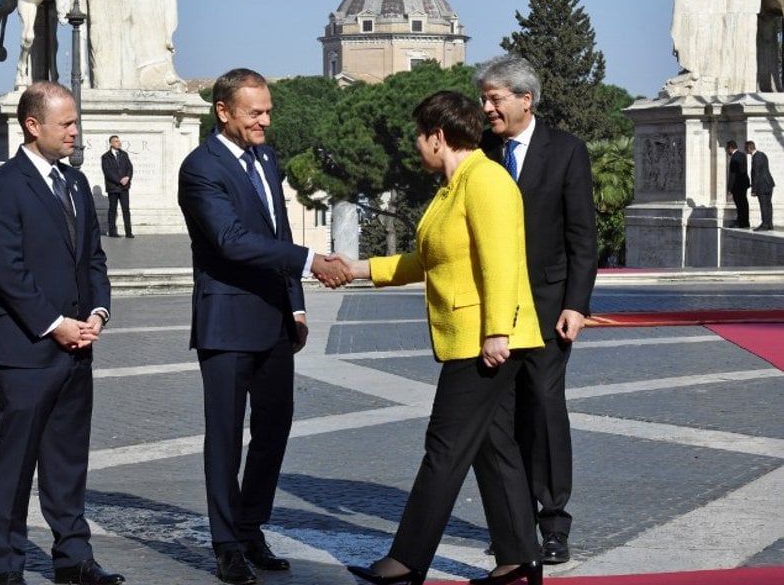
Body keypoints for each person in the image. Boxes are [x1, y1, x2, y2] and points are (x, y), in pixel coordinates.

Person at [340, 90, 545, 585]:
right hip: (474, 338)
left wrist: (496, 330)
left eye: (419, 135)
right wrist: (359, 269)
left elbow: (501, 261)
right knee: (492, 446)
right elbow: (429, 260)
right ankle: (520, 560)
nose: (416, 145)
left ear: (437, 136)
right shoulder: (454, 187)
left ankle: (407, 560)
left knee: (444, 446)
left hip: (488, 340)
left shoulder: (486, 181)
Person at [177, 68, 350, 585]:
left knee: (274, 427)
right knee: (225, 438)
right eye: (255, 112)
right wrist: (311, 260)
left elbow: (277, 228)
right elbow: (230, 240)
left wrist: (295, 305)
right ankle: (226, 543)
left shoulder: (266, 158)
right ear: (223, 111)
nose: (265, 121)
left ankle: (251, 525)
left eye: (268, 110)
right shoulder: (200, 168)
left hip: (275, 318)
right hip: (227, 321)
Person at [0, 81, 125, 585]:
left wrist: (97, 314)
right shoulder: (0, 186)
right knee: (15, 463)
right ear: (32, 125)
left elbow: (94, 260)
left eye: (76, 123)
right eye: (67, 124)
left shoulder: (78, 183)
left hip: (78, 345)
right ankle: (7, 566)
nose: (76, 133)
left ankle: (73, 559)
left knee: (67, 460)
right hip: (24, 348)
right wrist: (55, 325)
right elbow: (7, 271)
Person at [476, 54, 598, 565]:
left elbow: (582, 237)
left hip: (549, 310)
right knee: (499, 419)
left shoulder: (567, 151)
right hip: (494, 312)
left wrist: (576, 304)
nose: (486, 108)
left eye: (495, 98)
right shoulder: (479, 152)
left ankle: (553, 525)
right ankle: (512, 524)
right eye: (484, 98)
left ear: (525, 99)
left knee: (545, 411)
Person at [101, 135, 134, 238]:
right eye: (116, 141)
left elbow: (130, 167)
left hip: (124, 187)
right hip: (113, 187)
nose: (119, 143)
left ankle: (128, 232)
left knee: (126, 209)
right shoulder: (105, 157)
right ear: (110, 143)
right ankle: (112, 232)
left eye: (119, 141)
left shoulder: (124, 154)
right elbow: (107, 172)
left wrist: (127, 177)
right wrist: (119, 180)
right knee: (112, 209)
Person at [746, 140, 775, 231]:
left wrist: (754, 189)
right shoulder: (762, 154)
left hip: (762, 185)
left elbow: (757, 173)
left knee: (763, 204)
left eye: (745, 149)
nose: (745, 151)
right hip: (768, 183)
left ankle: (765, 224)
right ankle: (769, 223)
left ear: (749, 148)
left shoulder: (756, 157)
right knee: (768, 204)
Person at [726, 140, 752, 229]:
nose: (727, 151)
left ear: (730, 148)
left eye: (727, 149)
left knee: (740, 204)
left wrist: (729, 188)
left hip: (737, 185)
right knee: (743, 203)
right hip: (743, 184)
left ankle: (741, 222)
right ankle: (744, 221)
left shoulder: (734, 157)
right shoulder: (742, 155)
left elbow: (733, 174)